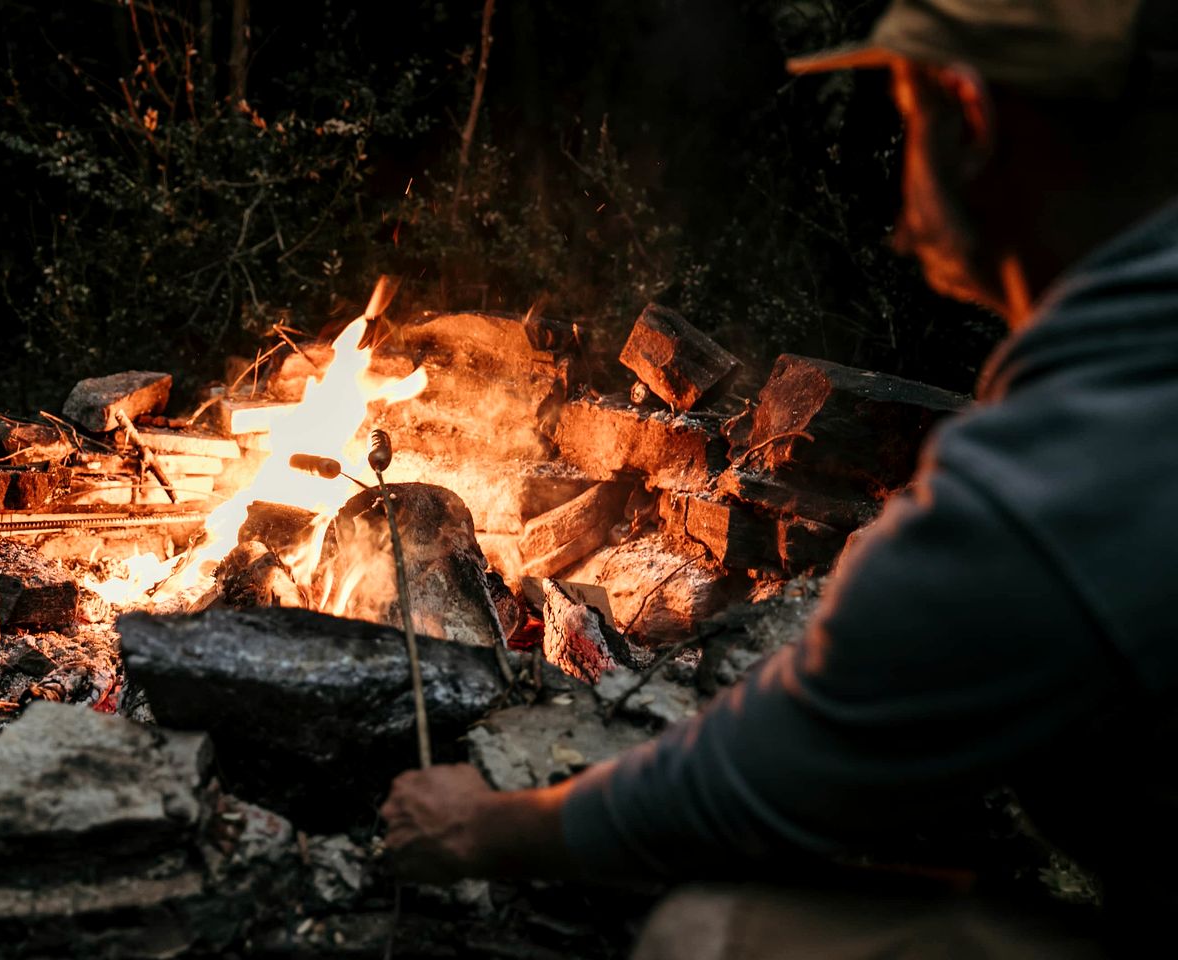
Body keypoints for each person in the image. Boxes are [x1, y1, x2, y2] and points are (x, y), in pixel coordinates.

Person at [380, 1, 1178, 955]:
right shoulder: (1128, 366)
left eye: (909, 118)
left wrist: (485, 827)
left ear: (969, 118)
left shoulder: (1085, 444)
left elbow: (780, 770)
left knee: (702, 933)